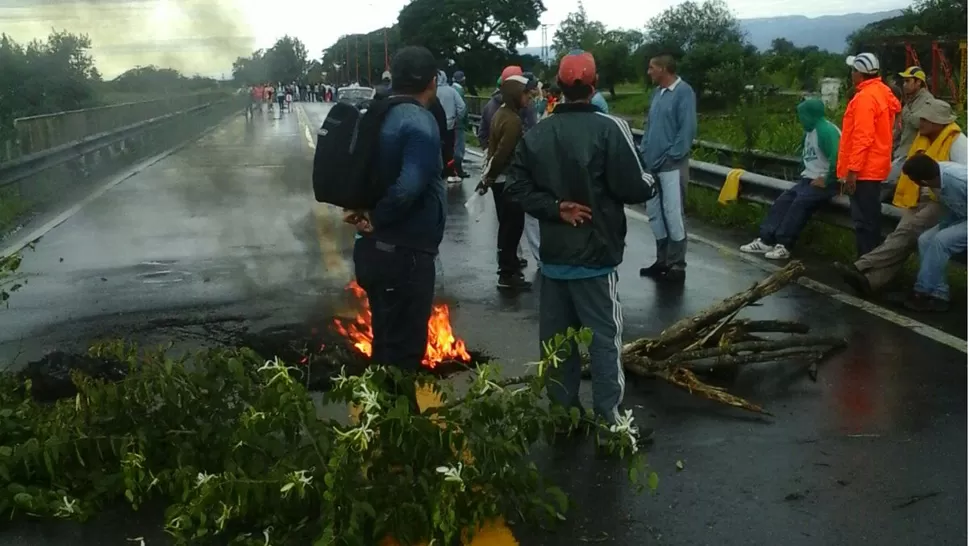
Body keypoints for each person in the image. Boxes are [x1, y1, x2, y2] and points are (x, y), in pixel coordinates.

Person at [504, 50, 656, 433]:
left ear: (557, 86)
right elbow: (633, 186)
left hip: (554, 258)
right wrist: (651, 180)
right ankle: (611, 422)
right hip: (596, 256)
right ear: (594, 84)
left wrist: (556, 208)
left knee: (557, 345)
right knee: (604, 339)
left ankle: (563, 417)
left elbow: (516, 188)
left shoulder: (537, 132)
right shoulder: (610, 128)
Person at [345, 45, 445, 382]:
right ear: (433, 81)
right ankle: (401, 427)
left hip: (370, 251)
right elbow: (409, 186)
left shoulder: (373, 113)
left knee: (385, 343)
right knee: (404, 352)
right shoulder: (419, 120)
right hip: (405, 255)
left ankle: (381, 423)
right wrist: (380, 216)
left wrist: (364, 215)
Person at [834, 99, 967, 296]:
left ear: (939, 122)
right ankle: (870, 281)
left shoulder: (958, 143)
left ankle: (862, 266)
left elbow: (961, 179)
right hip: (920, 196)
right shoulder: (925, 138)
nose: (920, 123)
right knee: (901, 237)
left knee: (907, 233)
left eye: (925, 120)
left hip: (943, 200)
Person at [740, 99, 841, 259]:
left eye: (803, 115)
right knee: (784, 200)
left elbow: (838, 157)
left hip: (827, 182)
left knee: (800, 203)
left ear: (811, 115)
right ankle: (766, 240)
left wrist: (828, 179)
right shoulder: (810, 131)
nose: (801, 119)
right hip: (808, 180)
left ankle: (784, 245)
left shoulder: (826, 131)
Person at [638, 54, 697, 283]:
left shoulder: (683, 92)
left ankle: (677, 263)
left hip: (671, 164)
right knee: (655, 213)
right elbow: (651, 125)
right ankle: (662, 259)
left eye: (652, 68)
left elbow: (687, 128)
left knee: (673, 213)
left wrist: (673, 155)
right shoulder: (658, 93)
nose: (649, 72)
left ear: (664, 69)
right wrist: (644, 150)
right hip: (652, 163)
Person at [838, 52, 901, 257]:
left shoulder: (865, 98)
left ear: (860, 74)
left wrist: (852, 172)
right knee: (871, 219)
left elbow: (862, 138)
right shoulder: (882, 91)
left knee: (864, 222)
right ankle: (869, 266)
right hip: (875, 166)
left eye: (853, 70)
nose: (851, 73)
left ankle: (866, 267)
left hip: (863, 170)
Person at [480, 74, 536, 290]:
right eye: (525, 94)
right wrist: (490, 177)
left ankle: (510, 265)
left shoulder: (501, 113)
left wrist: (488, 179)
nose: (529, 98)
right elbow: (503, 153)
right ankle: (507, 272)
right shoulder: (512, 120)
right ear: (515, 94)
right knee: (512, 227)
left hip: (501, 181)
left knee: (507, 226)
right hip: (508, 181)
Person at [892, 155, 967, 312]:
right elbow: (954, 206)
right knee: (925, 239)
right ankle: (939, 294)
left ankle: (922, 291)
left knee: (941, 241)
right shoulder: (935, 177)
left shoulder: (958, 181)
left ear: (922, 181)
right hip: (962, 216)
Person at [436, 69, 466, 183]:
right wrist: (457, 119)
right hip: (450, 124)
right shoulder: (452, 91)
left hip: (436, 125)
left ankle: (438, 171)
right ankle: (450, 172)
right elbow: (462, 107)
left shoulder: (432, 91)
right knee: (450, 150)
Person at [451, 70, 470, 179]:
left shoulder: (451, 89)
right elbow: (463, 108)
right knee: (459, 146)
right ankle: (458, 169)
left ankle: (453, 168)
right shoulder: (459, 91)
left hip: (450, 122)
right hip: (458, 123)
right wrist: (465, 122)